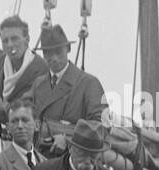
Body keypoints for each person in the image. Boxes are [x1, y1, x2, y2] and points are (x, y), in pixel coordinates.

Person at [31, 23, 107, 156]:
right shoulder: (38, 85)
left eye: (58, 52)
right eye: (47, 53)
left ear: (68, 49)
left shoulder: (88, 83)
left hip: (76, 160)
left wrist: (68, 140)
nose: (53, 58)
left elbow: (102, 127)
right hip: (42, 159)